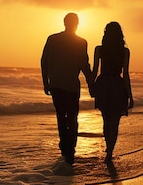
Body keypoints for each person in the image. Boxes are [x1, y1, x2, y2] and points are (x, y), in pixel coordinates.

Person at [41, 12, 93, 164]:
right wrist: (92, 82)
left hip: (56, 84)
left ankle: (65, 147)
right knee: (72, 118)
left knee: (61, 118)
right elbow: (84, 65)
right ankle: (70, 149)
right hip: (70, 86)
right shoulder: (81, 42)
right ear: (77, 24)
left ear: (64, 23)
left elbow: (44, 61)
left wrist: (46, 82)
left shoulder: (53, 39)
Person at [91, 22, 134, 163]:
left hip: (103, 84)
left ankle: (108, 148)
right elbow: (126, 74)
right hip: (116, 85)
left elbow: (95, 70)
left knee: (105, 119)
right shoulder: (124, 51)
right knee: (114, 121)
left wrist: (91, 86)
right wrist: (130, 95)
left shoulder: (99, 49)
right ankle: (109, 152)